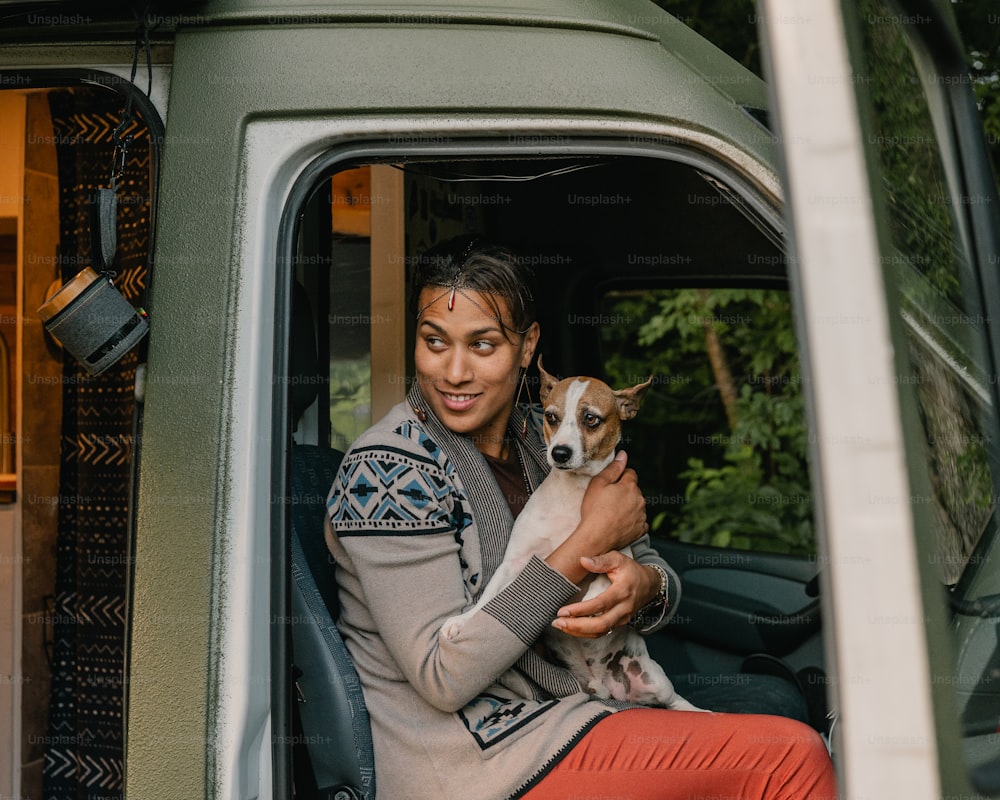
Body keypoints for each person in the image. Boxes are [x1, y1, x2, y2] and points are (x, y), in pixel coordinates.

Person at [325, 237, 837, 799]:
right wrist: (585, 543)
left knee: (781, 730)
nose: (454, 371)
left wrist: (646, 587)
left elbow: (646, 567)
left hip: (571, 707)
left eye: (484, 345)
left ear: (527, 348)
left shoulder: (544, 433)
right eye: (434, 342)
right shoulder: (387, 469)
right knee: (792, 759)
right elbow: (443, 676)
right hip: (471, 761)